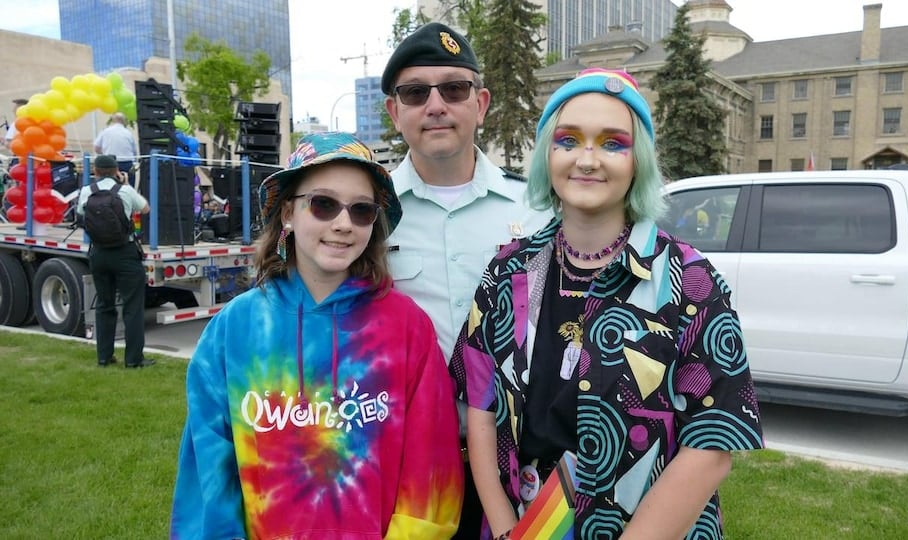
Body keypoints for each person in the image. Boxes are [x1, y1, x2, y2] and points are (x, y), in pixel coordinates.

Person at [449, 69, 765, 539]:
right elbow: (479, 405)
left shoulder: (691, 282)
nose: (588, 159)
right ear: (547, 156)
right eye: (568, 140)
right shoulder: (507, 273)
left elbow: (713, 445)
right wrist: (503, 527)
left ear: (637, 162)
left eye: (613, 143)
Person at [170, 132, 464, 539]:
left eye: (362, 210)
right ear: (288, 213)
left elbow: (431, 466)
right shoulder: (235, 327)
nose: (343, 224)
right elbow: (209, 474)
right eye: (323, 204)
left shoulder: (406, 327)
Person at [381, 21, 553, 539]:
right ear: (395, 111)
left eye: (453, 89)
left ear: (480, 103)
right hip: (406, 460)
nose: (435, 105)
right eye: (415, 92)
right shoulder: (365, 213)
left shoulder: (540, 211)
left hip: (520, 458)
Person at [76, 154, 152, 368]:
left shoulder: (86, 191)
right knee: (132, 307)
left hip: (99, 253)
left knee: (104, 305)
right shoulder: (124, 190)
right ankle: (134, 359)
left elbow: (81, 212)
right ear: (117, 169)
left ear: (96, 172)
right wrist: (125, 184)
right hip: (125, 253)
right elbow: (145, 208)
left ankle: (104, 356)